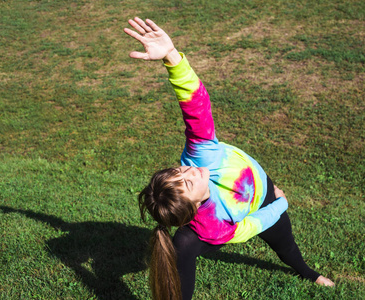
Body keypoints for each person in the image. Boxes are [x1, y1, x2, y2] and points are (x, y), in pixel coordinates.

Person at [124, 17, 335, 300]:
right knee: (184, 246)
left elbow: (196, 106)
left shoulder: (200, 156)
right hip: (256, 206)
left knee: (286, 249)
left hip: (262, 191)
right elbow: (249, 227)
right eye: (187, 183)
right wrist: (281, 203)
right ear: (195, 205)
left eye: (179, 170)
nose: (191, 170)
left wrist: (172, 58)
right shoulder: (210, 224)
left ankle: (306, 271)